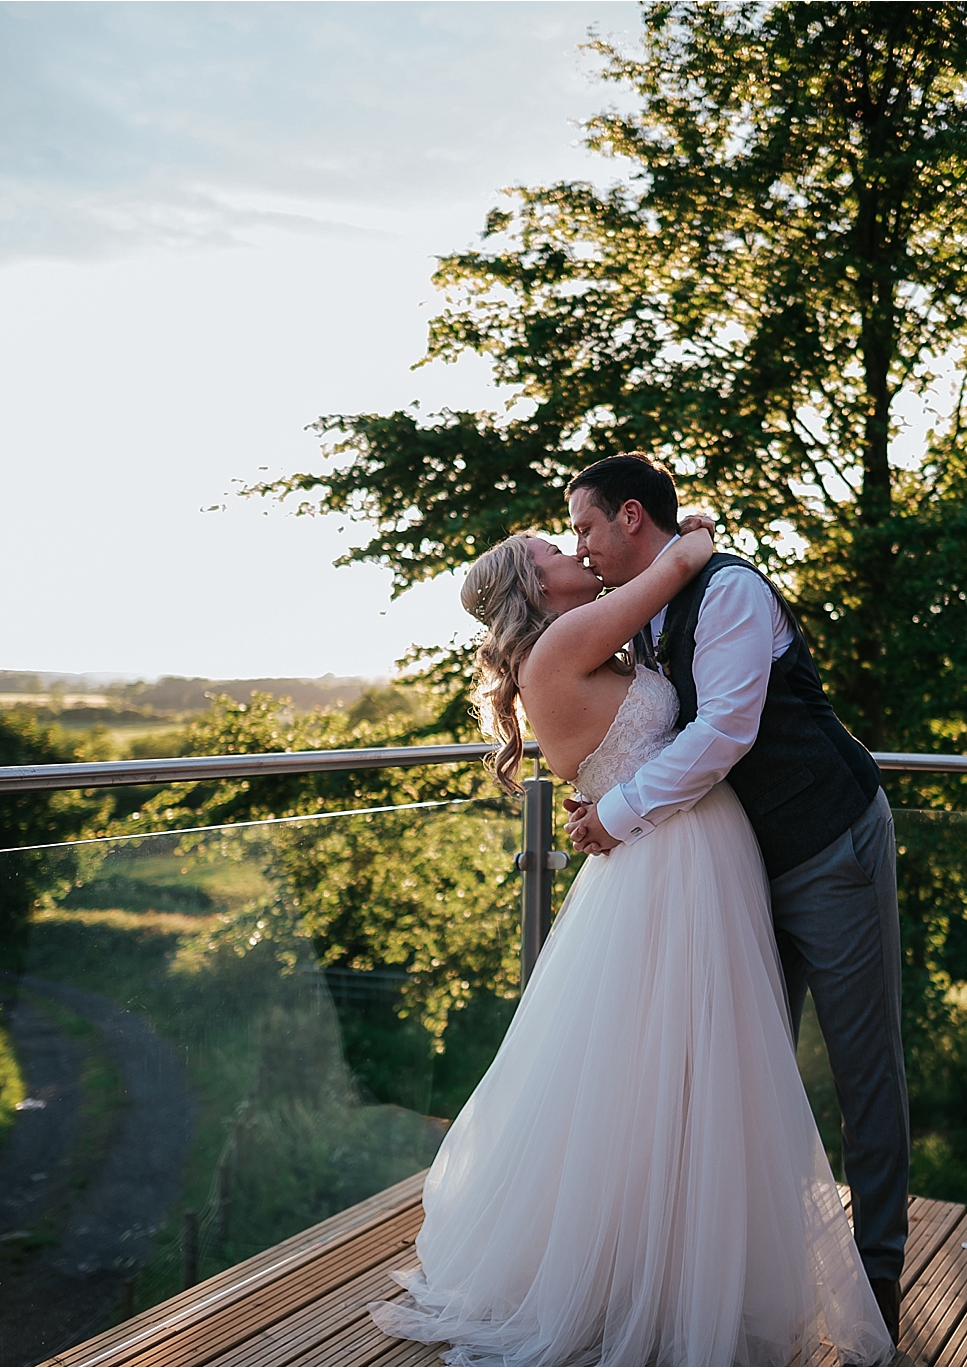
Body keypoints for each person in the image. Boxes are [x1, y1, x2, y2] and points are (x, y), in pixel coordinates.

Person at [367, 514, 890, 1367]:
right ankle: (665, 1283)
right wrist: (690, 533)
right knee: (687, 1069)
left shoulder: (580, 645)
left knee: (665, 1076)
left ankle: (668, 1269)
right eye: (551, 546)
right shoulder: (572, 635)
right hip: (672, 860)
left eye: (571, 532)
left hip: (673, 853)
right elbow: (678, 564)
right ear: (532, 586)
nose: (570, 548)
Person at [562, 454, 908, 1344]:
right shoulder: (651, 607)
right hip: (746, 867)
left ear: (632, 516)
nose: (582, 547)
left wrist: (620, 811)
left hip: (831, 845)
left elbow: (725, 730)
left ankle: (878, 1293)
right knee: (739, 1074)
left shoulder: (729, 593)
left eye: (587, 527)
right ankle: (744, 1285)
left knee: (863, 1068)